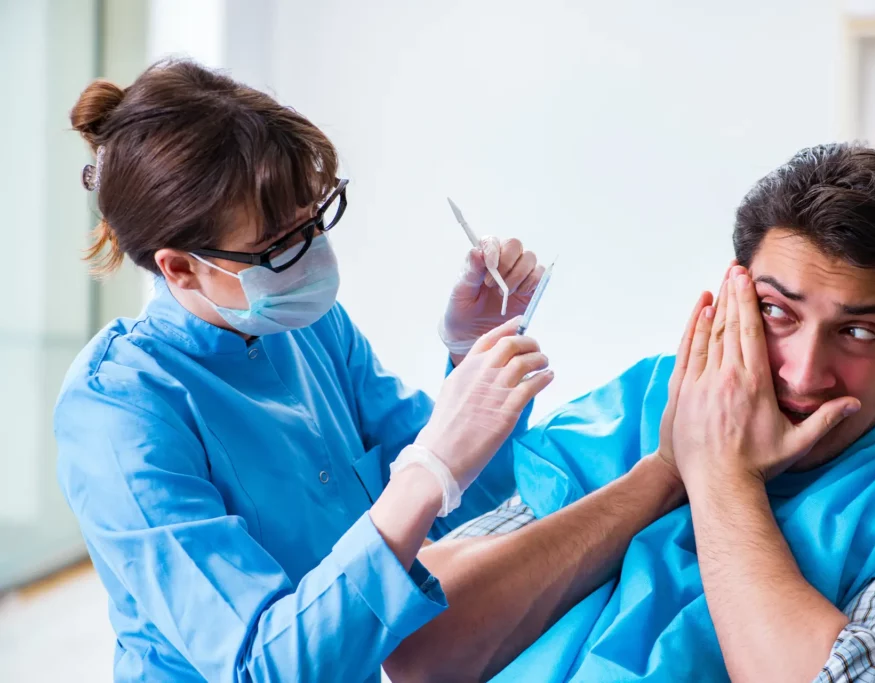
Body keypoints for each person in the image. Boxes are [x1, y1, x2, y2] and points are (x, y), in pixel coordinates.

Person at [384, 143, 875, 682]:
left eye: (857, 332)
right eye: (777, 313)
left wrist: (721, 477)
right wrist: (666, 470)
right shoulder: (633, 423)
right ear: (731, 302)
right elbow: (415, 645)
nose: (803, 372)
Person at [54, 59, 555, 683]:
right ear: (180, 268)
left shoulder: (309, 327)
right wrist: (424, 475)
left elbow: (459, 497)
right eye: (279, 244)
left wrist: (473, 361)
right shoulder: (118, 411)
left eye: (315, 217)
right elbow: (262, 667)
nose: (314, 251)